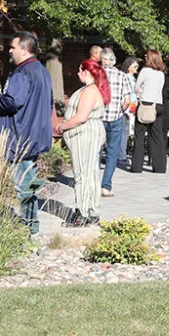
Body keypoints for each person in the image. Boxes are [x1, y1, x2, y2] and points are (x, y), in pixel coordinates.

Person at [0, 31, 53, 230]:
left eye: (13, 47)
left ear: (24, 50)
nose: (10, 50)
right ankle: (31, 221)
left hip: (20, 137)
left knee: (23, 184)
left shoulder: (23, 72)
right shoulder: (42, 71)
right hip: (34, 135)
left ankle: (29, 226)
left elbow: (13, 101)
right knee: (30, 182)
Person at [55, 59, 108, 226]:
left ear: (87, 72)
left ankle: (82, 213)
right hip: (89, 134)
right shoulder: (93, 90)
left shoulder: (89, 91)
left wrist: (62, 126)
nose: (78, 73)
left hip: (84, 135)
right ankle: (92, 211)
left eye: (80, 70)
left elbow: (80, 117)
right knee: (90, 173)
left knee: (83, 175)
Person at [99, 48, 133, 197]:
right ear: (113, 59)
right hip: (115, 117)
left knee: (96, 152)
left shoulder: (96, 74)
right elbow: (127, 101)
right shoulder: (122, 76)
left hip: (98, 118)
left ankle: (92, 184)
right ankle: (106, 186)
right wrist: (120, 110)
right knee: (112, 153)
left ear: (102, 59)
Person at [131, 49, 168, 174]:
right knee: (157, 136)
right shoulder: (161, 74)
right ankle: (160, 167)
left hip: (146, 105)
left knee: (139, 135)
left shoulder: (145, 71)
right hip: (158, 105)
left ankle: (137, 166)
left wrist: (141, 89)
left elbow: (136, 88)